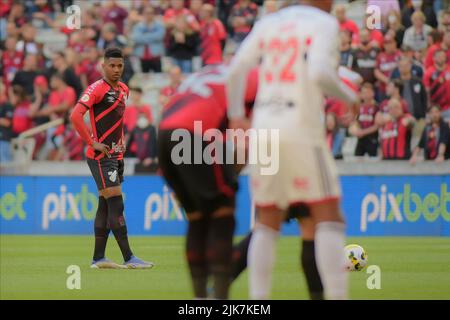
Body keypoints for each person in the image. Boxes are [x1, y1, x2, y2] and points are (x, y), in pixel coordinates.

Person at [226, 0, 358, 300]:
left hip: (264, 127)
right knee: (329, 215)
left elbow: (235, 71)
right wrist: (350, 97)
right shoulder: (324, 23)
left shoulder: (268, 22)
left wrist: (237, 116)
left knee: (267, 221)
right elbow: (321, 73)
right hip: (301, 127)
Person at [158, 64, 258, 299]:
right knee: (223, 216)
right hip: (193, 135)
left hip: (163, 136)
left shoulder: (209, 72)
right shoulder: (255, 80)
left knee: (197, 219)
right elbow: (243, 140)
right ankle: (220, 299)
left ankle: (200, 299)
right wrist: (230, 180)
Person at [70, 47, 153, 269]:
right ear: (103, 66)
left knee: (105, 205)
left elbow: (118, 122)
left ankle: (98, 258)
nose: (116, 70)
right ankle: (129, 258)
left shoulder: (124, 90)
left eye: (119, 66)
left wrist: (121, 145)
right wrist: (91, 142)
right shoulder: (96, 89)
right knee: (116, 202)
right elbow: (75, 115)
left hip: (115, 155)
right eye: (112, 66)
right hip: (100, 156)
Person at [131, 6, 166, 73]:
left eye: (151, 13)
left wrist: (143, 36)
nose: (148, 15)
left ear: (154, 14)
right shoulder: (138, 26)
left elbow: (159, 36)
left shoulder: (159, 25)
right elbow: (136, 38)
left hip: (156, 56)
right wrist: (152, 36)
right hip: (143, 57)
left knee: (158, 78)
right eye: (147, 13)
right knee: (144, 79)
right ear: (143, 14)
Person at [351, 83, 379, 157]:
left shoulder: (376, 107)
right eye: (363, 93)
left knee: (373, 159)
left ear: (373, 93)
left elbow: (377, 125)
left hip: (372, 138)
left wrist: (363, 132)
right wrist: (356, 129)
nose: (365, 95)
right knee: (357, 158)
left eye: (367, 92)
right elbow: (356, 121)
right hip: (361, 139)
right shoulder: (360, 107)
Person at [424, 49, 450, 121]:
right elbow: (426, 91)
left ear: (446, 58)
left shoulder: (449, 69)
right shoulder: (429, 72)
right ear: (434, 58)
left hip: (448, 107)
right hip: (434, 109)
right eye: (438, 56)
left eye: (442, 56)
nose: (441, 58)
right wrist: (428, 107)